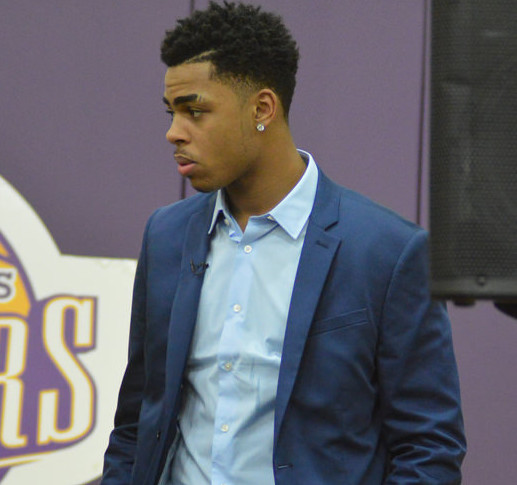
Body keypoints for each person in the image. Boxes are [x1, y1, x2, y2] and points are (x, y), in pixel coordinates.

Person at [101, 2, 466, 484]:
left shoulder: (389, 253)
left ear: (262, 109)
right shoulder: (165, 236)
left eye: (195, 111)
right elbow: (135, 424)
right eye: (172, 113)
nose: (174, 133)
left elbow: (429, 446)